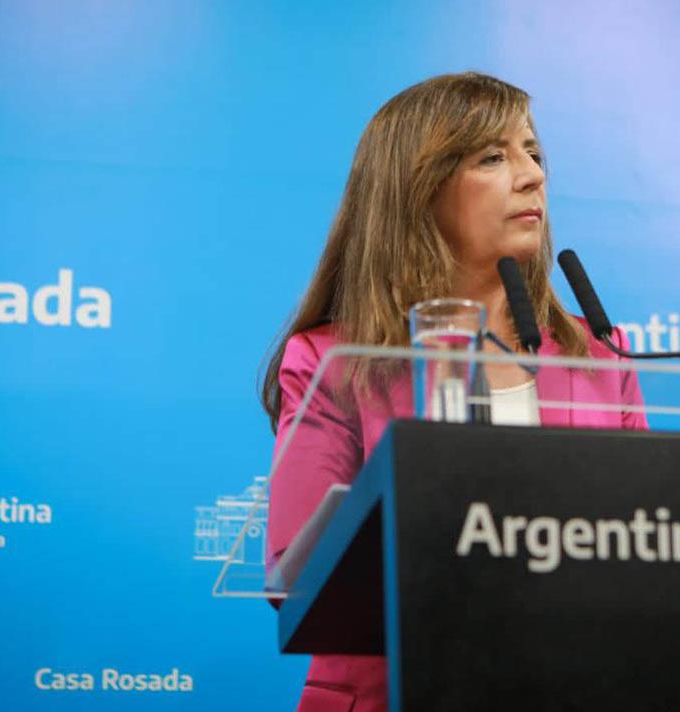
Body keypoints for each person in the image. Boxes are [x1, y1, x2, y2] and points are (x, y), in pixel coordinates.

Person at [260, 72, 646, 712]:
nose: (531, 175)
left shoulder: (599, 355)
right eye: (493, 157)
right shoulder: (335, 361)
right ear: (418, 190)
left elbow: (649, 547)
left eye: (533, 153)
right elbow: (299, 571)